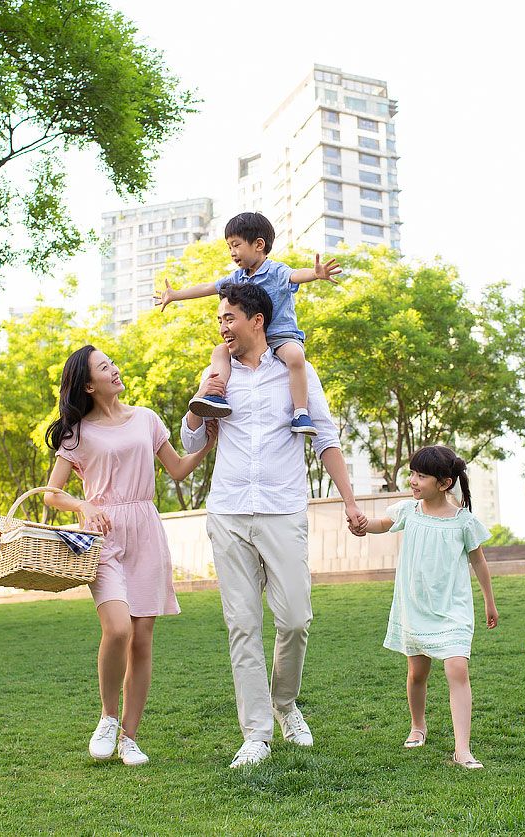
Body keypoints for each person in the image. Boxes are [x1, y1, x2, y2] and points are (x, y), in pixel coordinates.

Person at [181, 282, 368, 768]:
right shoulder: (217, 374)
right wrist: (203, 394)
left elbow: (325, 438)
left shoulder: (296, 372)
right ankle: (256, 734)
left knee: (294, 620)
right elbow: (190, 434)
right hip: (229, 510)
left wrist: (349, 502)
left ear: (257, 320)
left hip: (283, 509)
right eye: (219, 319)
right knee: (242, 625)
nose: (222, 326)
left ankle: (285, 705)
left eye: (229, 318)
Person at [44, 346, 216, 767]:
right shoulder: (76, 433)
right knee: (117, 629)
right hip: (102, 538)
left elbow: (175, 469)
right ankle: (106, 716)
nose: (115, 369)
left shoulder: (146, 419)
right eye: (105, 367)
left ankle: (129, 736)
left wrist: (209, 443)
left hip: (146, 531)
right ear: (88, 383)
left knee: (142, 638)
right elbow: (51, 494)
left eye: (113, 363)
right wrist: (83, 506)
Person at [354, 445, 499, 769]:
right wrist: (363, 524)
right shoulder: (409, 510)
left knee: (457, 669)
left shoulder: (464, 522)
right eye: (412, 473)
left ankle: (462, 749)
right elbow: (381, 523)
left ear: (444, 483)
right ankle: (417, 726)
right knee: (417, 672)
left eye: (421, 475)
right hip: (416, 606)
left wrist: (489, 602)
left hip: (453, 608)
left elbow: (479, 562)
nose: (413, 480)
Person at [156, 211, 341, 437]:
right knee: (219, 352)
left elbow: (295, 275)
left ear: (258, 244)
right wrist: (176, 295)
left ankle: (301, 412)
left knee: (294, 356)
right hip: (248, 340)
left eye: (236, 245)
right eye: (229, 247)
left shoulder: (276, 271)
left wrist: (314, 273)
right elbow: (207, 288)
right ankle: (217, 395)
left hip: (279, 335)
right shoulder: (237, 278)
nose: (232, 252)